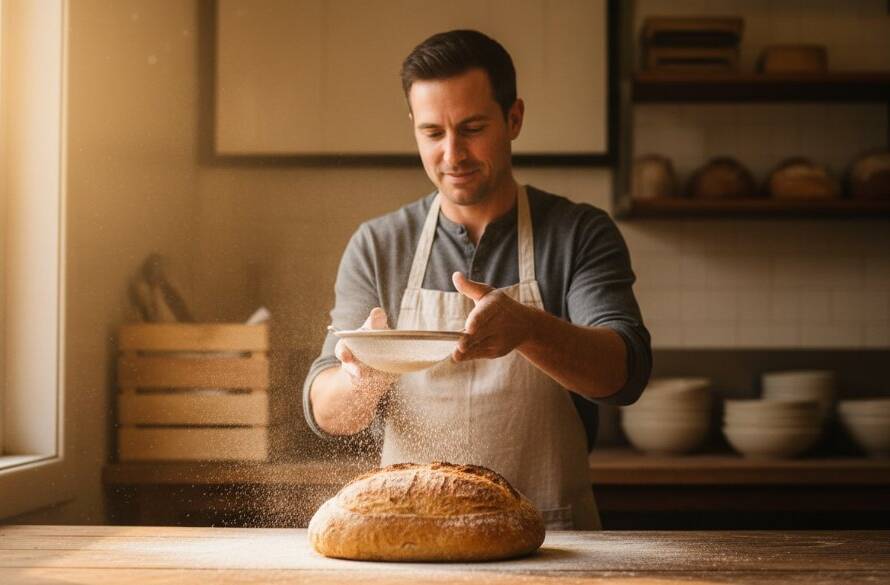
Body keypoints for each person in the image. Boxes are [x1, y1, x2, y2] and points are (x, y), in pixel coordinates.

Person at [303, 29, 651, 530]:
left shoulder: (578, 233)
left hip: (553, 539)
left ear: (514, 119)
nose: (452, 154)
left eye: (471, 128)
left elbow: (625, 375)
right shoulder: (378, 245)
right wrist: (364, 378)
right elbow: (326, 410)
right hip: (412, 536)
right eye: (432, 133)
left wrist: (530, 330)